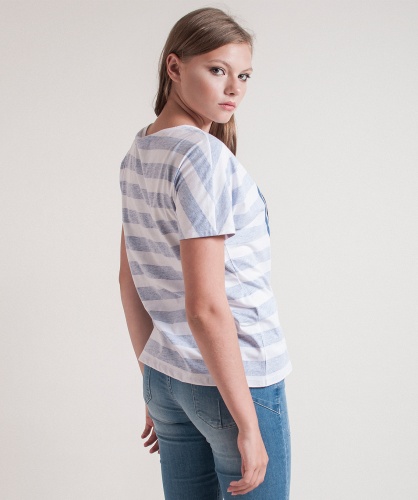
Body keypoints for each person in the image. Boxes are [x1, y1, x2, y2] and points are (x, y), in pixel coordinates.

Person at [119, 7, 292, 499]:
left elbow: (128, 279)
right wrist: (248, 425)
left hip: (167, 377)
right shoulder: (202, 155)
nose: (234, 88)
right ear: (174, 67)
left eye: (244, 75)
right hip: (235, 382)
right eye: (218, 70)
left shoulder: (140, 151)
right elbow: (206, 306)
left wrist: (153, 379)